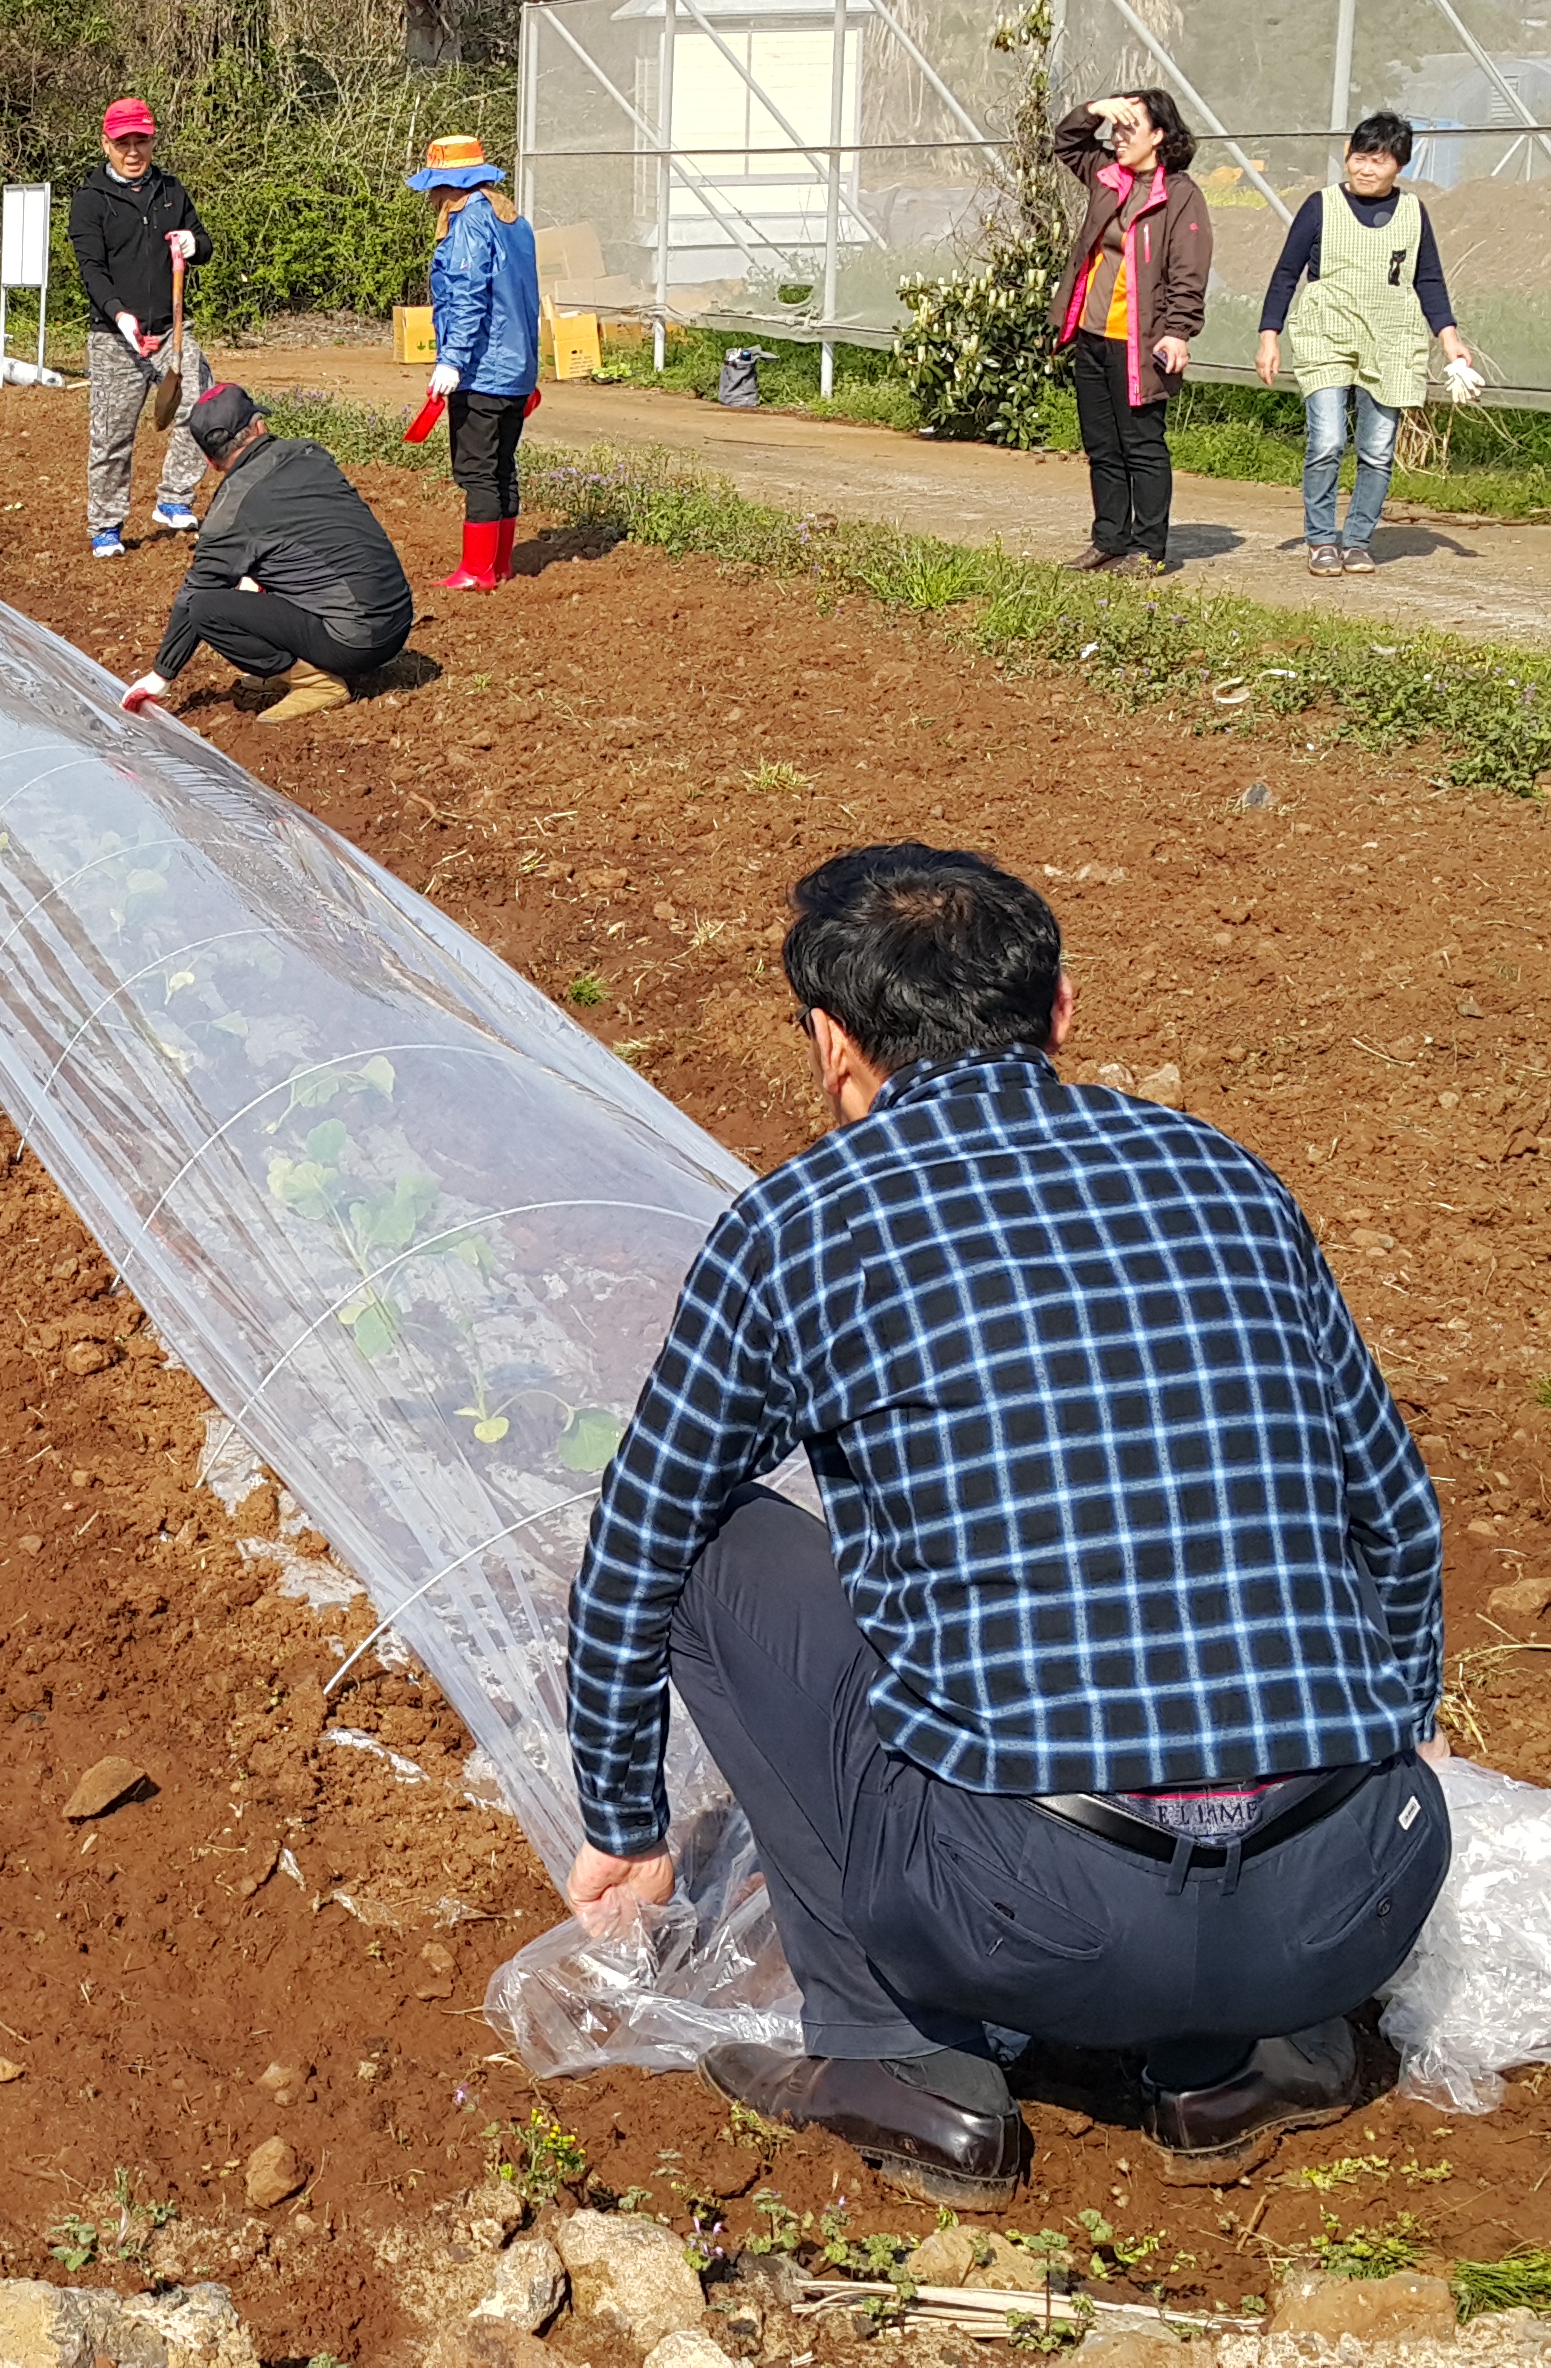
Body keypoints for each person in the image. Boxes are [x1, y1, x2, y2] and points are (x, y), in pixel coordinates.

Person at [558, 843, 1448, 2200]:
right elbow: (1393, 1512)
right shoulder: (1227, 1178)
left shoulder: (803, 1224)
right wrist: (1399, 1717)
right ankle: (1233, 2063)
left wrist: (625, 1824)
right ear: (1063, 1012)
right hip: (1348, 1903)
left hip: (1030, 1919)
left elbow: (637, 1549)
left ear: (832, 1042)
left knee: (708, 1549)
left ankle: (900, 2058)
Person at [112, 383, 412, 725]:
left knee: (206, 607)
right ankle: (309, 662)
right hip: (397, 619)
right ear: (259, 426)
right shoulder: (309, 453)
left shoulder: (228, 515)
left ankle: (314, 682)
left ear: (210, 460)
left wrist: (160, 675)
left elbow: (194, 597)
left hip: (355, 643)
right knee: (264, 574)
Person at [1252, 113, 1471, 576]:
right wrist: (1269, 335)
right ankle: (1320, 539)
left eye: (1379, 160)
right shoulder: (1321, 207)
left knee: (1376, 449)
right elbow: (1286, 273)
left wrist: (1449, 339)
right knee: (1328, 440)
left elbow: (1428, 278)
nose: (1366, 169)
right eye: (1359, 157)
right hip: (1326, 334)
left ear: (1400, 166)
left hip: (1391, 338)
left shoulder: (1413, 213)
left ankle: (1356, 540)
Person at [1052, 89, 1209, 577]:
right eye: (1115, 129)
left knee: (1141, 445)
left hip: (1140, 342)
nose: (1117, 138)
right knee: (1102, 446)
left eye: (1128, 129)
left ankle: (1149, 548)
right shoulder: (1107, 178)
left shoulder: (1180, 195)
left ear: (1159, 136)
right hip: (1092, 334)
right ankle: (1109, 540)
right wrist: (1094, 111)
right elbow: (1066, 142)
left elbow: (1189, 272)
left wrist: (1178, 332)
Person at [74, 94, 209, 556]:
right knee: (113, 436)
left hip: (171, 327)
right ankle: (106, 526)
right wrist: (120, 314)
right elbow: (91, 269)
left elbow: (203, 244)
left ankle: (174, 499)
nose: (134, 151)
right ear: (106, 144)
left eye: (142, 141)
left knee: (202, 402)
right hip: (116, 336)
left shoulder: (171, 192)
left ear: (152, 140)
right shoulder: (90, 202)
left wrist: (194, 243)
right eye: (123, 142)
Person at [414, 135, 542, 591]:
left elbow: (467, 297)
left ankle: (477, 571)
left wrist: (450, 361)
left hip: (482, 370)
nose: (430, 198)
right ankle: (501, 564)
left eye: (434, 188)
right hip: (516, 370)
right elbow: (527, 300)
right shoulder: (514, 221)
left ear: (452, 187)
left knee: (477, 470)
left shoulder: (468, 222)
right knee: (503, 464)